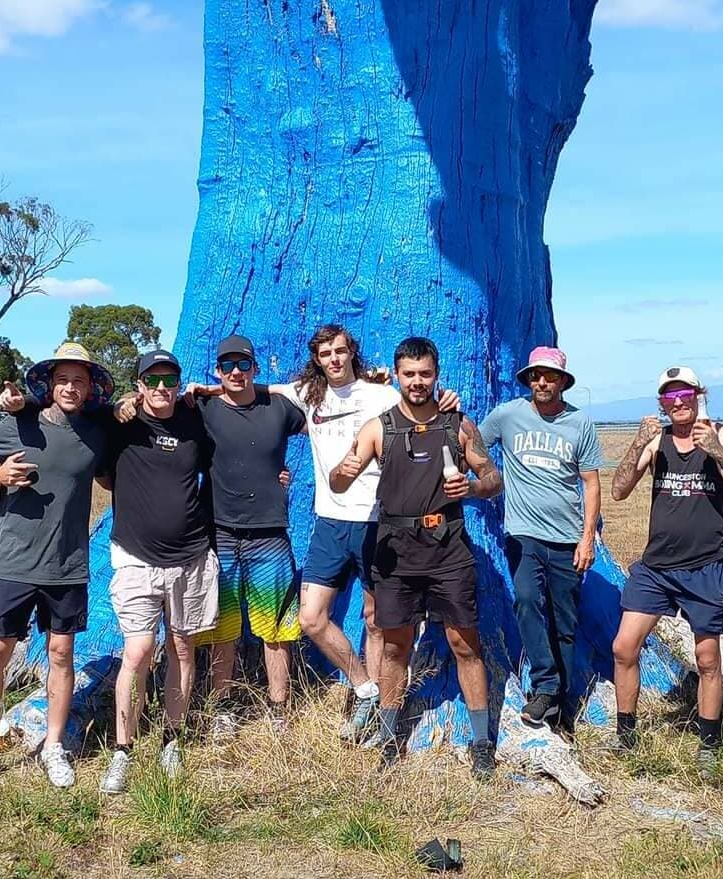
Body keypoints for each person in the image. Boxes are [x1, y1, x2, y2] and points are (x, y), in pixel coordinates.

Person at [271, 323, 460, 745]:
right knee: (311, 617)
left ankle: (382, 714)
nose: (334, 359)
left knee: (377, 621)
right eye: (325, 354)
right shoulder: (308, 393)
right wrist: (199, 391)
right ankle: (364, 687)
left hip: (379, 522)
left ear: (352, 352)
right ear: (316, 360)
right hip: (330, 521)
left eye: (340, 351)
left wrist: (448, 400)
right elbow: (257, 392)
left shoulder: (382, 394)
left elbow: (423, 412)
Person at [330, 336, 503, 780]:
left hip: (448, 549)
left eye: (425, 373)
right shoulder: (378, 428)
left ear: (436, 373)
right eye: (409, 374)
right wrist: (343, 474)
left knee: (465, 644)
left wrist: (474, 487)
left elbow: (492, 478)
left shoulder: (458, 425)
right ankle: (389, 740)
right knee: (394, 646)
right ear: (398, 375)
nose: (417, 382)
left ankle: (482, 742)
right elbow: (337, 481)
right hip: (395, 553)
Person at [0, 343, 114, 796]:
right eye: (63, 379)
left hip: (67, 564)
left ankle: (54, 748)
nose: (70, 388)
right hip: (14, 561)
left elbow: (108, 474)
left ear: (90, 388)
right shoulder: (19, 422)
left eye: (79, 381)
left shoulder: (97, 431)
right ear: (49, 383)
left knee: (61, 654)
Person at [610, 366, 723, 776]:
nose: (677, 402)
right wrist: (638, 441)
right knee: (624, 647)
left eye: (684, 394)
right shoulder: (657, 441)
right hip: (657, 566)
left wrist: (715, 448)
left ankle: (708, 744)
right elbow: (619, 490)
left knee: (707, 657)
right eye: (669, 396)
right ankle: (626, 734)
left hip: (705, 565)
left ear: (698, 395)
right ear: (661, 402)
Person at [100, 349, 219, 793]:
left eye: (170, 380)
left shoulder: (196, 421)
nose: (162, 389)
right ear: (139, 385)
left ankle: (172, 739)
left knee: (182, 649)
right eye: (153, 381)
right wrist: (116, 408)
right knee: (137, 653)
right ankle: (122, 749)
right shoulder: (121, 425)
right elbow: (87, 422)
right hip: (135, 557)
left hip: (190, 556)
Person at [480, 345, 603, 729]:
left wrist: (587, 539)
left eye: (550, 376)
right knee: (528, 600)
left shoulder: (579, 423)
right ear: (528, 380)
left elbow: (591, 483)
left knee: (564, 624)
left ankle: (562, 709)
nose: (542, 382)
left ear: (563, 382)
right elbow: (470, 442)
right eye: (536, 375)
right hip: (524, 535)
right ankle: (545, 685)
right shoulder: (508, 415)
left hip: (568, 540)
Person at [191, 335, 307, 727]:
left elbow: (333, 422)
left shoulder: (279, 408)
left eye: (243, 365)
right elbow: (155, 411)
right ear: (217, 371)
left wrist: (372, 384)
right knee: (222, 627)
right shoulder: (203, 408)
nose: (236, 372)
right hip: (219, 532)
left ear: (256, 368)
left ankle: (278, 709)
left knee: (275, 628)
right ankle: (221, 707)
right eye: (227, 366)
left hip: (270, 533)